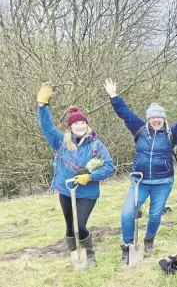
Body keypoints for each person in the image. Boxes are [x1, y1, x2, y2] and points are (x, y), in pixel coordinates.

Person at [103, 78, 177, 263]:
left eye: (159, 117)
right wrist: (114, 96)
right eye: (153, 117)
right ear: (148, 119)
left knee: (155, 214)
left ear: (164, 119)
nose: (156, 120)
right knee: (128, 213)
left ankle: (149, 239)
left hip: (163, 183)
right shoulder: (139, 129)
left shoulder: (172, 134)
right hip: (140, 182)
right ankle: (127, 246)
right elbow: (125, 114)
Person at [37, 82, 114, 267]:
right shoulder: (60, 142)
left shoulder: (96, 145)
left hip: (87, 193)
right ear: (70, 127)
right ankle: (74, 254)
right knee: (70, 227)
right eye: (76, 123)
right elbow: (47, 126)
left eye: (83, 122)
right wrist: (42, 106)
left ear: (87, 125)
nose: (80, 125)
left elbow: (110, 167)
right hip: (66, 190)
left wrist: (90, 177)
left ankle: (89, 254)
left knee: (80, 225)